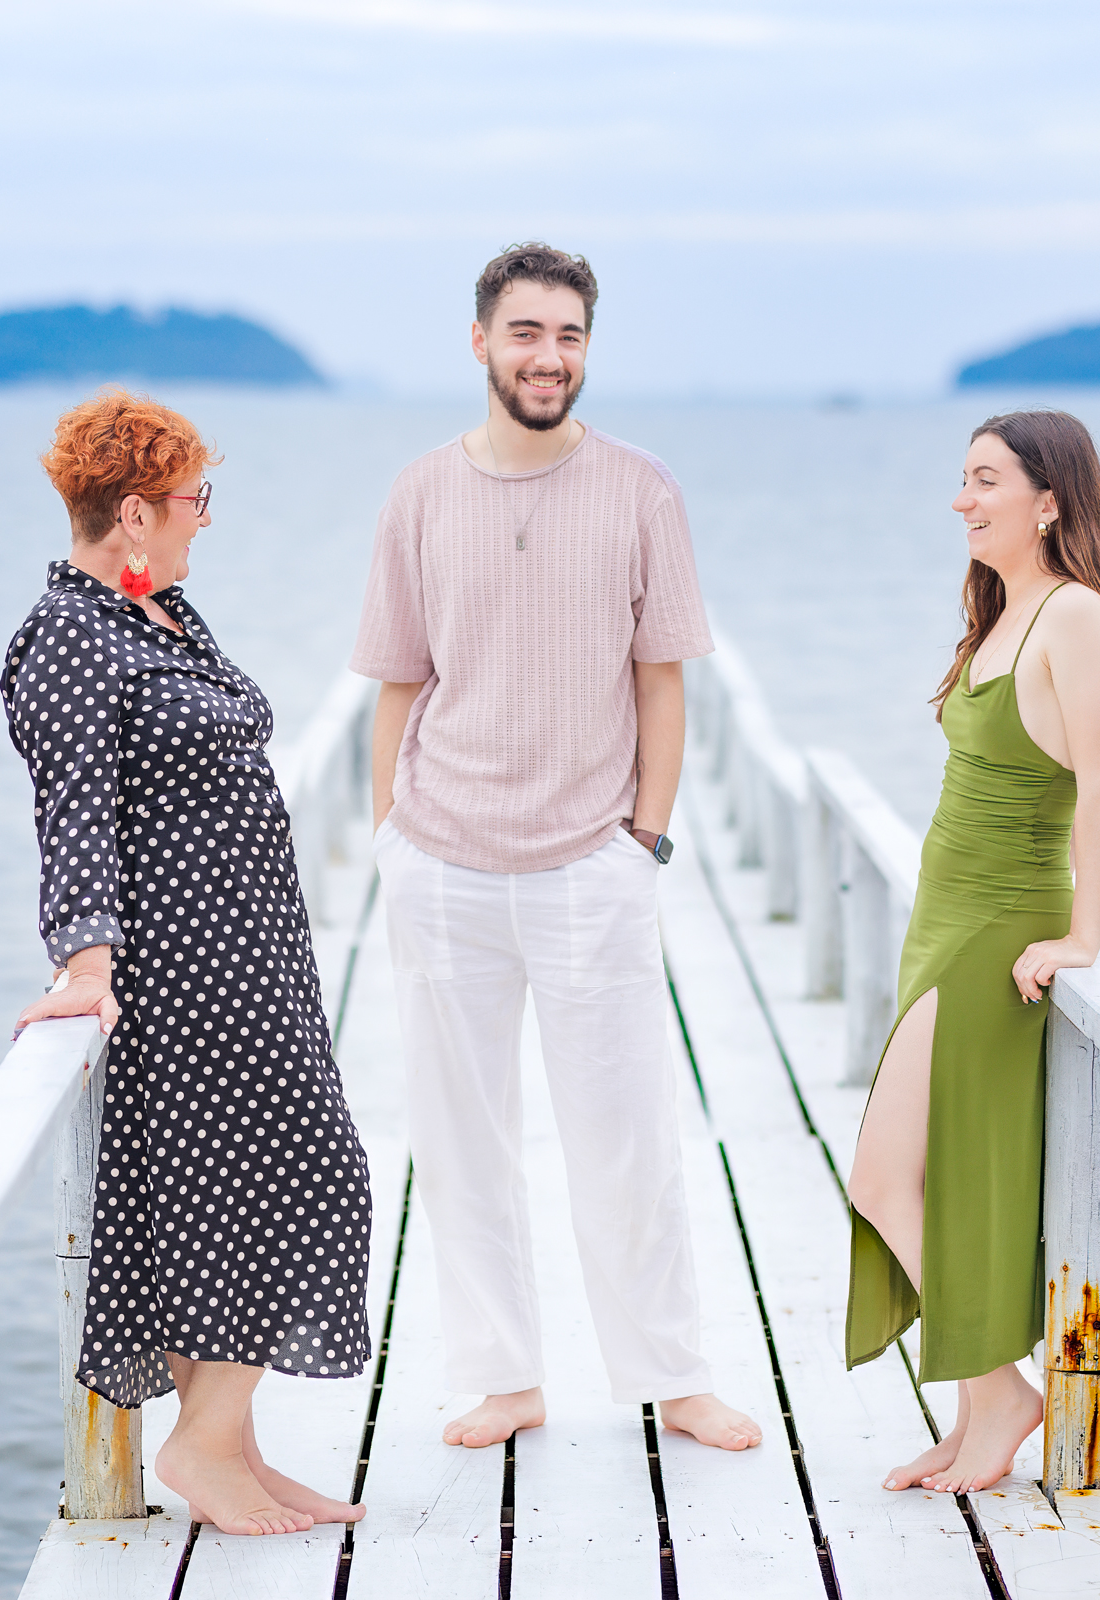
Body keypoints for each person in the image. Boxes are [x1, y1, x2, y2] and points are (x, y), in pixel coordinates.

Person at [350, 241, 760, 1453]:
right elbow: (396, 683)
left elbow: (663, 681)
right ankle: (504, 1376)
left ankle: (672, 1374)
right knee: (460, 1139)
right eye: (526, 332)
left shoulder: (642, 491)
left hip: (591, 860)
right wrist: (388, 841)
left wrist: (646, 840)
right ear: (480, 341)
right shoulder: (420, 493)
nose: (549, 356)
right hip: (442, 857)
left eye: (569, 335)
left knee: (626, 1135)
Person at [6, 389, 374, 1536]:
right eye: (190, 499)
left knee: (235, 1197)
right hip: (186, 971)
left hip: (255, 953)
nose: (201, 518)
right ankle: (203, 1445)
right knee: (307, 1175)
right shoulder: (69, 635)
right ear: (132, 512)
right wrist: (85, 962)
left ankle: (236, 1448)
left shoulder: (159, 611)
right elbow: (73, 811)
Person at [845, 410, 1100, 1495]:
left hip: (996, 929)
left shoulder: (1076, 616)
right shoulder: (1002, 611)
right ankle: (980, 1411)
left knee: (883, 1177)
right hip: (942, 920)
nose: (963, 500)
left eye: (985, 480)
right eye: (963, 479)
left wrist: (1082, 938)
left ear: (1049, 500)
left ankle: (1005, 1393)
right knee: (939, 1175)